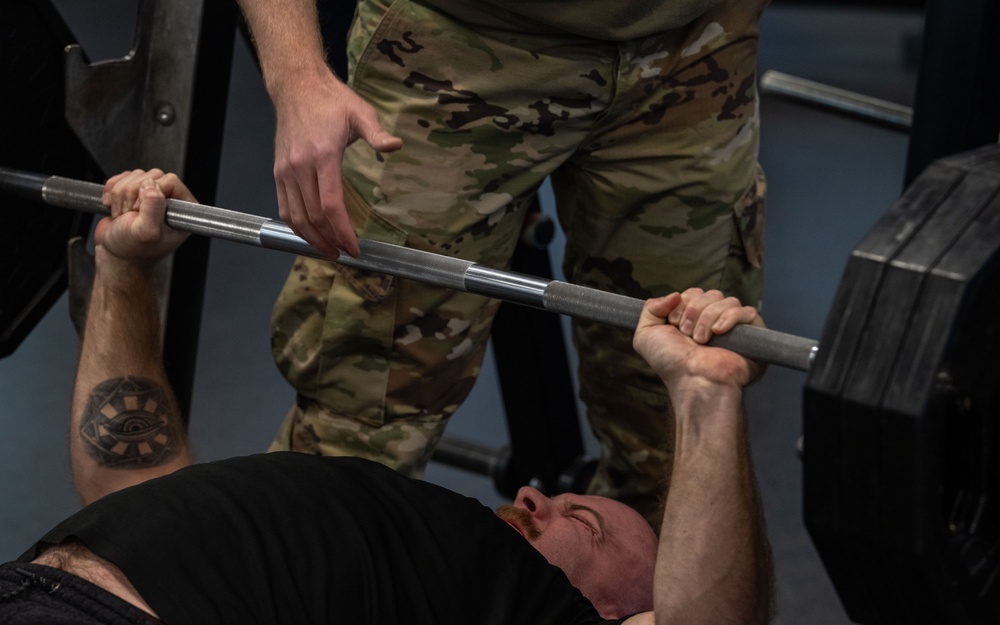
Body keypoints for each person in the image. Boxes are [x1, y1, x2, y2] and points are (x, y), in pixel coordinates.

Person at [1, 171, 772, 625]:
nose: (537, 494)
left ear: (616, 615)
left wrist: (705, 391)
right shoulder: (423, 554)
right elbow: (126, 473)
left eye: (585, 521)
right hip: (33, 600)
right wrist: (124, 266)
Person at [235, 0, 770, 523]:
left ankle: (628, 611)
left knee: (682, 426)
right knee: (356, 431)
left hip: (698, 40)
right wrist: (297, 75)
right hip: (457, 44)